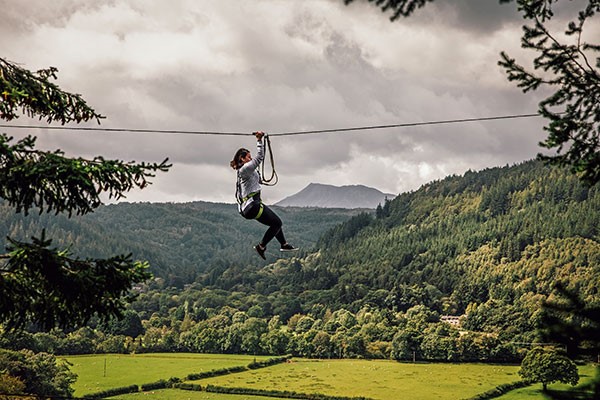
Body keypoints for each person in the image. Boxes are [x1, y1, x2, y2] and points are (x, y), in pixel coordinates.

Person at [230, 131, 298, 259]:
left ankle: (284, 244)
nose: (250, 159)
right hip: (252, 206)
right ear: (242, 159)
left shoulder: (245, 171)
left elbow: (254, 178)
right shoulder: (245, 169)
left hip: (249, 208)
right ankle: (261, 246)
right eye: (248, 157)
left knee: (275, 223)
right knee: (277, 223)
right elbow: (260, 157)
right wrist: (259, 140)